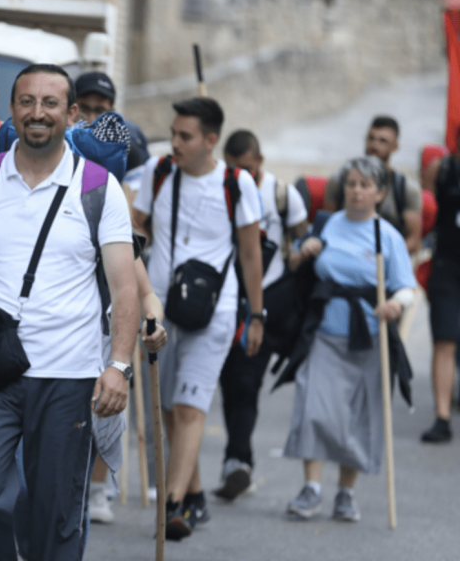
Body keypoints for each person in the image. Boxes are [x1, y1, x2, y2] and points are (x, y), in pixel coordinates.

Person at [0, 64, 141, 560]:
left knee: (54, 513)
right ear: (12, 111)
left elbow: (125, 290)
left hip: (69, 374)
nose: (38, 113)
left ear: (72, 113)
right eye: (28, 102)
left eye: (51, 103)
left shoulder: (99, 188)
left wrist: (118, 366)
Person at [131, 97, 264, 541]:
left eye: (184, 136)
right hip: (162, 309)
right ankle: (197, 492)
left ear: (211, 140)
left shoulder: (238, 184)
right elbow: (135, 230)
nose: (174, 142)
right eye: (172, 133)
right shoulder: (159, 171)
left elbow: (250, 254)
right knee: (167, 410)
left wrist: (257, 314)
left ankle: (175, 506)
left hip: (216, 312)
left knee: (189, 408)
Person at [277, 156, 416, 522]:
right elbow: (292, 263)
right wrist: (303, 252)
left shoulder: (386, 236)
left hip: (368, 337)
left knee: (358, 415)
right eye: (352, 184)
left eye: (365, 186)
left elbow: (407, 288)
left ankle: (346, 492)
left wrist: (394, 306)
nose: (356, 191)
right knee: (313, 406)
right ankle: (312, 489)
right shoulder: (327, 224)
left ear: (380, 193)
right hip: (323, 332)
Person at [215, 129, 308, 501]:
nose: (243, 178)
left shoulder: (282, 195)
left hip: (267, 300)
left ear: (261, 164)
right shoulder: (219, 188)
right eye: (235, 169)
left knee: (246, 379)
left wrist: (304, 250)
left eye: (249, 171)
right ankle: (238, 460)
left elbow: (302, 237)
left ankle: (238, 461)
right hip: (224, 296)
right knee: (227, 379)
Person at [324, 116, 422, 254]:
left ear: (395, 147)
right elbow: (327, 226)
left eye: (382, 141)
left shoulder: (406, 189)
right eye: (371, 138)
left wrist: (387, 260)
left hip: (386, 261)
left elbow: (413, 240)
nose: (374, 146)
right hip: (344, 254)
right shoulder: (339, 181)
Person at [418, 147, 460, 443]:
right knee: (444, 339)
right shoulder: (441, 170)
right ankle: (442, 417)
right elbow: (427, 213)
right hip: (446, 264)